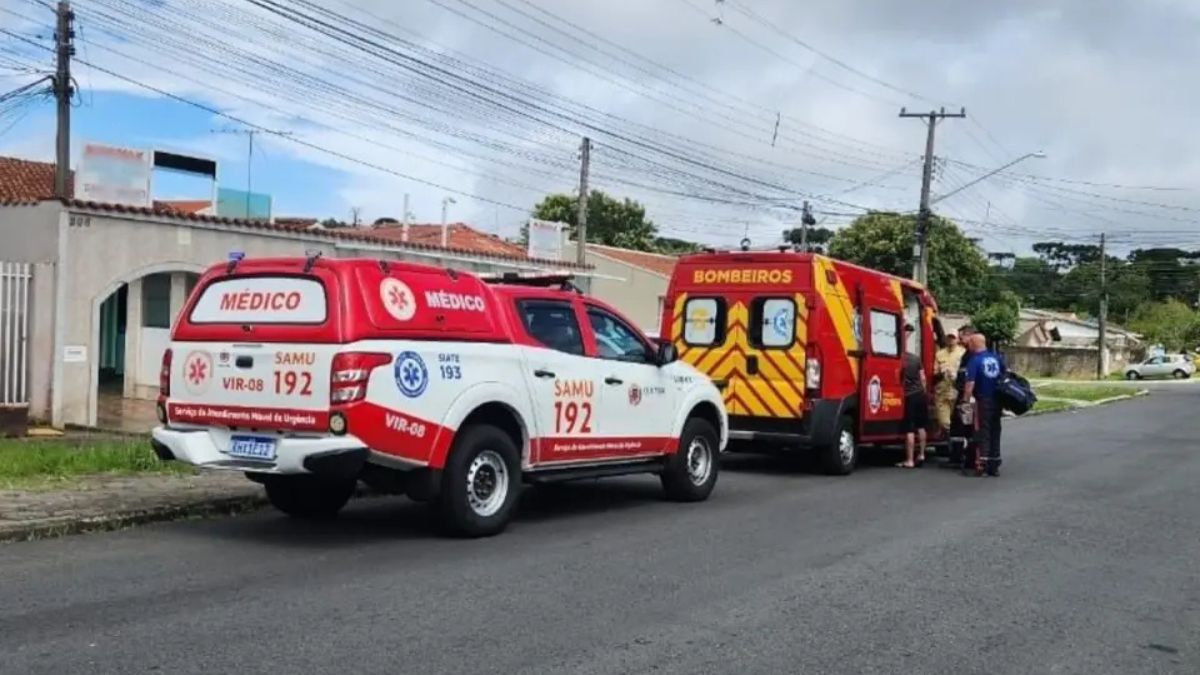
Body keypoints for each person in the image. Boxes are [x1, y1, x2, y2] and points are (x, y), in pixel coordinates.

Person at [962, 333, 1005, 477]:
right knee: (995, 430)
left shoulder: (975, 361)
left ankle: (983, 463)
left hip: (983, 399)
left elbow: (970, 384)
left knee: (983, 431)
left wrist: (965, 401)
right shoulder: (997, 358)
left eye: (970, 343)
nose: (969, 346)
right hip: (997, 400)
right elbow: (1004, 377)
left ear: (975, 343)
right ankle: (995, 463)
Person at [897, 324, 928, 468]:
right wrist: (924, 391)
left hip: (908, 396)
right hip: (920, 394)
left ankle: (909, 460)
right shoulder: (916, 359)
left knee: (909, 429)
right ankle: (922, 454)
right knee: (921, 427)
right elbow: (923, 378)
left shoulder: (900, 360)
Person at [948, 325, 978, 467]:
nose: (960, 341)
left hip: (968, 397)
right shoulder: (967, 354)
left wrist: (965, 399)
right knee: (957, 426)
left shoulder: (972, 355)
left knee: (967, 428)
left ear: (970, 336)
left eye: (961, 338)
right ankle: (957, 456)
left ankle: (969, 459)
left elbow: (969, 379)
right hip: (962, 395)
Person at [933, 332, 964, 434]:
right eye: (949, 338)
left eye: (953, 338)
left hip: (955, 389)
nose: (951, 340)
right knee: (944, 421)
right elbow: (934, 371)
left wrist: (956, 375)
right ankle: (947, 433)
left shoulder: (963, 353)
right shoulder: (939, 353)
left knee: (954, 418)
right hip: (942, 390)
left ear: (957, 339)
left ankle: (950, 440)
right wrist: (940, 371)